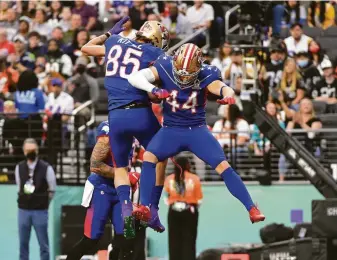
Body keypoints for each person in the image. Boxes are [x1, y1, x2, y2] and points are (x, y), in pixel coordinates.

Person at [128, 43, 265, 228]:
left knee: (223, 166)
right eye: (180, 73)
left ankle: (251, 208)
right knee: (149, 158)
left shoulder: (208, 72)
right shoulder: (165, 64)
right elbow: (136, 77)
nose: (183, 78)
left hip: (196, 130)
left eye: (188, 75)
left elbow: (223, 87)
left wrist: (229, 94)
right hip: (171, 129)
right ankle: (144, 206)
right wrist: (152, 89)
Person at [81, 17, 170, 238]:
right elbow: (155, 87)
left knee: (120, 167)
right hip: (140, 112)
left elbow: (85, 48)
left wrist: (108, 34)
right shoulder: (154, 53)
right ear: (156, 39)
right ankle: (152, 208)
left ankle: (125, 207)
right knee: (161, 156)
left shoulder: (115, 42)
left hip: (115, 117)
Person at [66, 121, 146, 260]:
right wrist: (125, 176)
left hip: (121, 188)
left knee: (128, 237)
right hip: (102, 189)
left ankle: (112, 255)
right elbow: (96, 165)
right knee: (91, 239)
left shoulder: (134, 129)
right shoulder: (108, 130)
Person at [15, 138, 56, 260]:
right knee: (23, 245)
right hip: (23, 211)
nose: (30, 152)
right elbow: (19, 188)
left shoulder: (46, 168)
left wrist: (43, 203)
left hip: (40, 211)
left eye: (32, 150)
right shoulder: (19, 168)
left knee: (44, 245)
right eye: (27, 150)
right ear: (24, 151)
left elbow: (52, 189)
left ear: (37, 151)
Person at [164, 157, 202, 260]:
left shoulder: (168, 179)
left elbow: (166, 197)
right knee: (189, 239)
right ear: (187, 165)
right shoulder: (194, 179)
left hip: (173, 211)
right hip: (189, 211)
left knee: (174, 239)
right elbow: (199, 200)